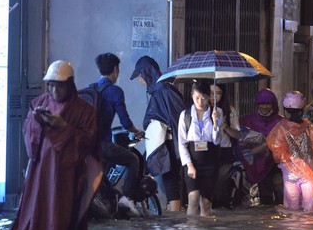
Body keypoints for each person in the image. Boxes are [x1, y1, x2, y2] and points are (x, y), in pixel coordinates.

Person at [9, 60, 101, 230]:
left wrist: (63, 128)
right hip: (40, 170)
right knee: (37, 205)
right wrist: (36, 122)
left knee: (62, 209)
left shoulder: (84, 111)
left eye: (58, 86)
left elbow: (88, 142)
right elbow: (27, 129)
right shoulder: (40, 103)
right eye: (50, 85)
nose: (53, 91)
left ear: (69, 85)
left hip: (66, 174)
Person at [89, 53, 144, 216]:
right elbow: (126, 122)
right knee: (133, 160)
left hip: (86, 145)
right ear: (115, 69)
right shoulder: (115, 91)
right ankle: (125, 199)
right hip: (102, 145)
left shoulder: (91, 88)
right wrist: (137, 131)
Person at [131, 55, 186, 212]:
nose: (140, 81)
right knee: (169, 181)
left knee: (171, 182)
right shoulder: (160, 91)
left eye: (140, 76)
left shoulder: (165, 91)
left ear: (147, 73)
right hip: (162, 143)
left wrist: (179, 148)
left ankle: (175, 214)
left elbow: (179, 119)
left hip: (168, 144)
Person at [267, 91, 313, 212]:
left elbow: (276, 150)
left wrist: (291, 160)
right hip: (309, 171)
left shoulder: (281, 128)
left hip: (290, 172)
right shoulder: (309, 127)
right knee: (310, 207)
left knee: (292, 207)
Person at [178, 81, 226, 216]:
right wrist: (189, 165)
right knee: (193, 199)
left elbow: (217, 140)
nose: (200, 101)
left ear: (209, 97)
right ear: (192, 95)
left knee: (206, 203)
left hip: (210, 161)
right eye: (197, 97)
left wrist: (216, 123)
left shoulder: (217, 112)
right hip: (191, 160)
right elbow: (181, 143)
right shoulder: (185, 115)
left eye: (204, 98)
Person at [238, 88, 284, 206]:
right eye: (261, 103)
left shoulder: (282, 122)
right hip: (256, 166)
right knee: (265, 197)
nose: (264, 107)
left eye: (267, 103)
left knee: (280, 193)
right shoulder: (247, 121)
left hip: (276, 166)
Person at [210, 82, 243, 209]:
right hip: (207, 152)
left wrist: (226, 127)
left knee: (221, 187)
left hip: (224, 151)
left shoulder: (230, 110)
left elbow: (239, 135)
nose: (214, 97)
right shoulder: (202, 110)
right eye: (211, 93)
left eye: (217, 93)